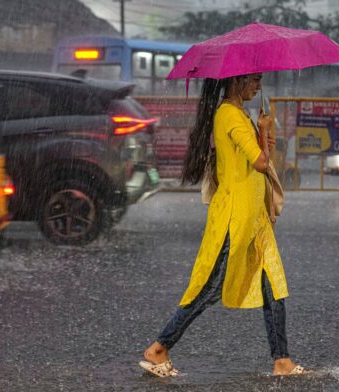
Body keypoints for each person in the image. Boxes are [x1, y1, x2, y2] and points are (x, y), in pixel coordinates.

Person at [139, 73, 320, 378]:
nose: (259, 86)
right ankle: (159, 348)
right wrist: (262, 132)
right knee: (210, 288)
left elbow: (262, 160)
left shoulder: (240, 114)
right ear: (238, 81)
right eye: (255, 80)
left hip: (255, 219)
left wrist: (264, 135)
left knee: (274, 284)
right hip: (235, 220)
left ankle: (282, 360)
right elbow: (260, 163)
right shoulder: (229, 116)